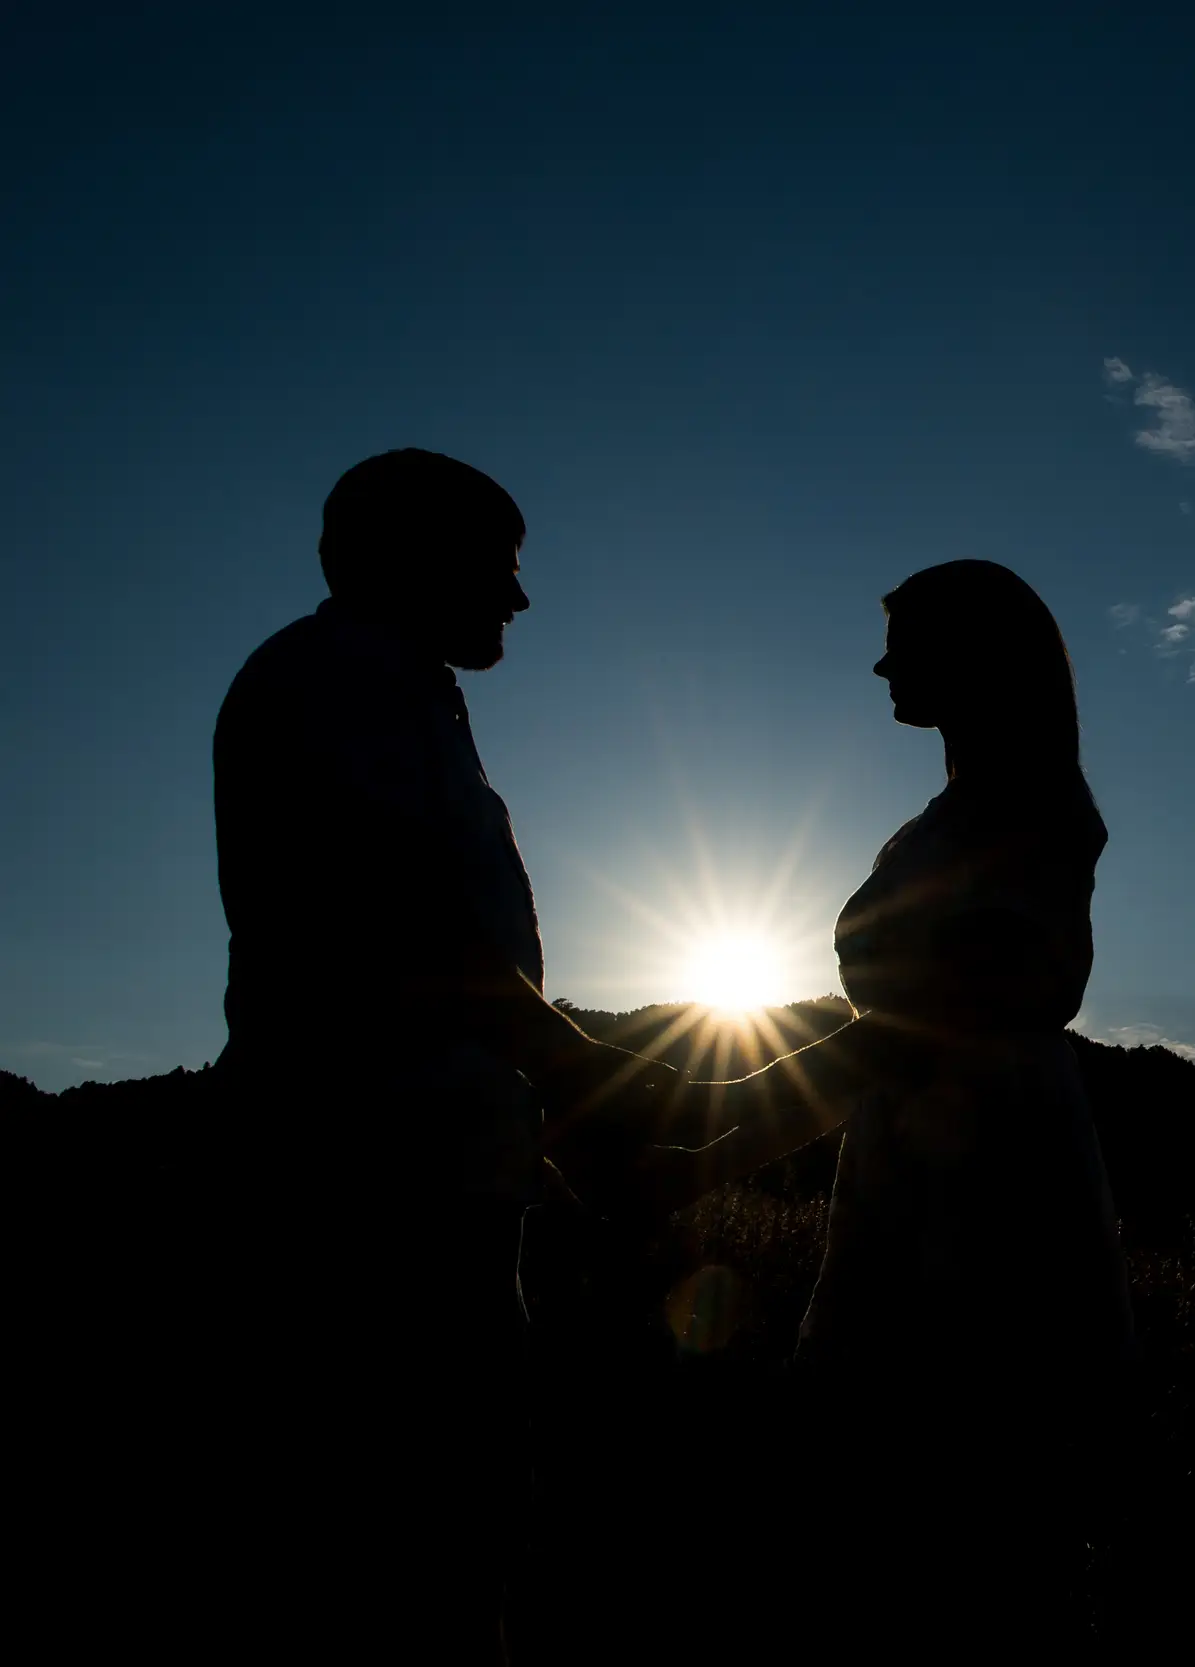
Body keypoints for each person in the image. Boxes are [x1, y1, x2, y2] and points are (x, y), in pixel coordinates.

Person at [184, 448, 678, 1662]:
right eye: (499, 568)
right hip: (360, 1194)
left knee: (449, 1535)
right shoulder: (330, 683)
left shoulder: (402, 697)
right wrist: (582, 1080)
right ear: (410, 559)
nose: (517, 599)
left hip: (428, 1182)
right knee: (398, 1551)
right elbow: (407, 930)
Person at [629, 560, 1134, 1644]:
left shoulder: (1025, 809)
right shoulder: (966, 812)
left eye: (902, 640)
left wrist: (722, 1138)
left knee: (956, 1481)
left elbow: (912, 1030)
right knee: (913, 1498)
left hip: (987, 1162)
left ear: (971, 654)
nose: (880, 662)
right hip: (926, 1146)